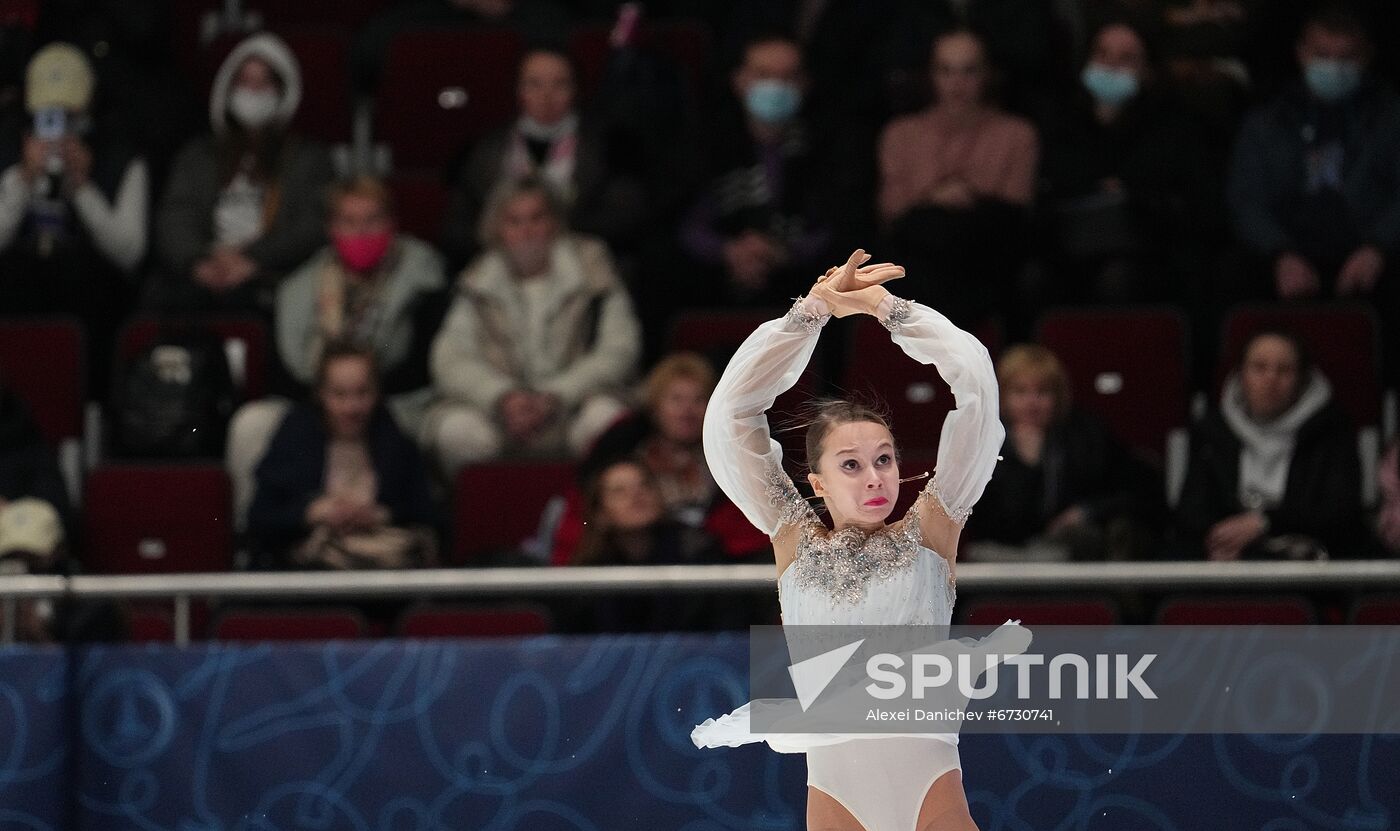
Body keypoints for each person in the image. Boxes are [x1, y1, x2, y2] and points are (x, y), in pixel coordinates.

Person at [690, 250, 1014, 831]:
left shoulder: (933, 528)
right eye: (851, 464)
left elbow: (978, 391)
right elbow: (729, 416)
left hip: (931, 794)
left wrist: (890, 310)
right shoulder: (792, 536)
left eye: (884, 459)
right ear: (817, 482)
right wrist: (810, 312)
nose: (874, 477)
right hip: (837, 799)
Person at [428, 176, 641, 477]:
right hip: (503, 413)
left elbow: (620, 348)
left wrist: (556, 395)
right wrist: (503, 397)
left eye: (537, 218)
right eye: (514, 221)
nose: (526, 230)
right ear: (497, 229)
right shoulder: (478, 281)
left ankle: (595, 506)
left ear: (555, 222)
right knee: (457, 431)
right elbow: (449, 357)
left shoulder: (593, 270)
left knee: (606, 419)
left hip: (574, 405)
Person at [1036, 20, 1221, 307]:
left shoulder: (1175, 126)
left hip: (1150, 251)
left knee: (1120, 278)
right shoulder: (1061, 120)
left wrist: (1132, 194)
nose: (1111, 66)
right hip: (1070, 247)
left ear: (1148, 70)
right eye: (1102, 54)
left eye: (1126, 58)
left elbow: (1193, 202)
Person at [1226, 5, 1400, 307]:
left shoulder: (1391, 117)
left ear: (1366, 57)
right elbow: (1246, 198)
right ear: (1301, 53)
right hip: (1285, 252)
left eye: (1346, 57)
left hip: (1371, 251)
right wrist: (1280, 253)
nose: (1334, 67)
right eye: (1322, 55)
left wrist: (1378, 248)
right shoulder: (1268, 120)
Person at [0, 43, 148, 393]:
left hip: (91, 299)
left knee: (87, 285)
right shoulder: (7, 153)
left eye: (69, 117)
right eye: (47, 116)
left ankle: (94, 411)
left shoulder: (120, 159)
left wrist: (82, 188)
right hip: (18, 289)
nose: (58, 130)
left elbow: (130, 254)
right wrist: (23, 180)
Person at [152, 33, 335, 312]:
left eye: (263, 83)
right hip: (204, 269)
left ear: (283, 91)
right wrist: (199, 261)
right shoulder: (198, 156)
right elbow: (175, 217)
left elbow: (313, 225)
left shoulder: (307, 159)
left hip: (273, 275)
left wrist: (255, 259)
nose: (253, 92)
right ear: (227, 89)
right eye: (245, 82)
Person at [878, 28, 1039, 327]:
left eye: (969, 71)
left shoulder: (1017, 134)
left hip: (987, 258)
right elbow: (891, 212)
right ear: (931, 75)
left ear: (987, 74)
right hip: (919, 259)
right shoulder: (900, 134)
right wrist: (937, 200)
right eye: (946, 71)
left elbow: (1017, 209)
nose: (957, 83)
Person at [441, 46, 648, 270]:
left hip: (583, 266)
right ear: (518, 90)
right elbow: (458, 227)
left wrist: (553, 235)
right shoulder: (484, 149)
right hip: (502, 268)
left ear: (576, 89)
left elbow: (627, 216)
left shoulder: (611, 146)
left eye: (560, 84)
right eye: (534, 84)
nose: (546, 96)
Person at [552, 352, 770, 564]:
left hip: (713, 563)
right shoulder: (622, 454)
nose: (687, 410)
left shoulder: (734, 458)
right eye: (676, 399)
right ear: (655, 407)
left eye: (699, 399)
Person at [246, 342, 439, 570]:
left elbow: (429, 515)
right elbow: (260, 519)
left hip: (385, 570)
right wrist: (313, 512)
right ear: (320, 393)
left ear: (377, 392)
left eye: (362, 393)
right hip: (311, 574)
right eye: (339, 394)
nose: (351, 407)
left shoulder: (395, 442)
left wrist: (381, 515)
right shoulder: (294, 439)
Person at [677, 34, 835, 307]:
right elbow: (686, 225)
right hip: (711, 287)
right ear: (739, 80)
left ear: (805, 83)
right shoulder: (705, 147)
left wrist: (783, 253)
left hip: (807, 290)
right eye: (763, 75)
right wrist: (729, 251)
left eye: (788, 77)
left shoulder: (827, 148)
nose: (776, 87)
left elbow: (835, 228)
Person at [1174, 330, 1361, 560]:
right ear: (1241, 375)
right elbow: (1191, 511)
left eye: (1284, 370)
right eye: (1259, 368)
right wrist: (1222, 539)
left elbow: (1339, 513)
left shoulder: (1331, 430)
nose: (1271, 379)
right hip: (1223, 556)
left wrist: (1265, 523)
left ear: (1302, 379)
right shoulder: (1212, 430)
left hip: (1309, 557)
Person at [966, 344, 1162, 561]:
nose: (1032, 403)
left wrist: (1086, 511)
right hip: (1003, 551)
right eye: (1020, 392)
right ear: (1002, 397)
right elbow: (992, 523)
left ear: (1058, 396)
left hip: (1074, 548)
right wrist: (1027, 467)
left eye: (1042, 392)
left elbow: (1136, 492)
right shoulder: (983, 442)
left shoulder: (1087, 434)